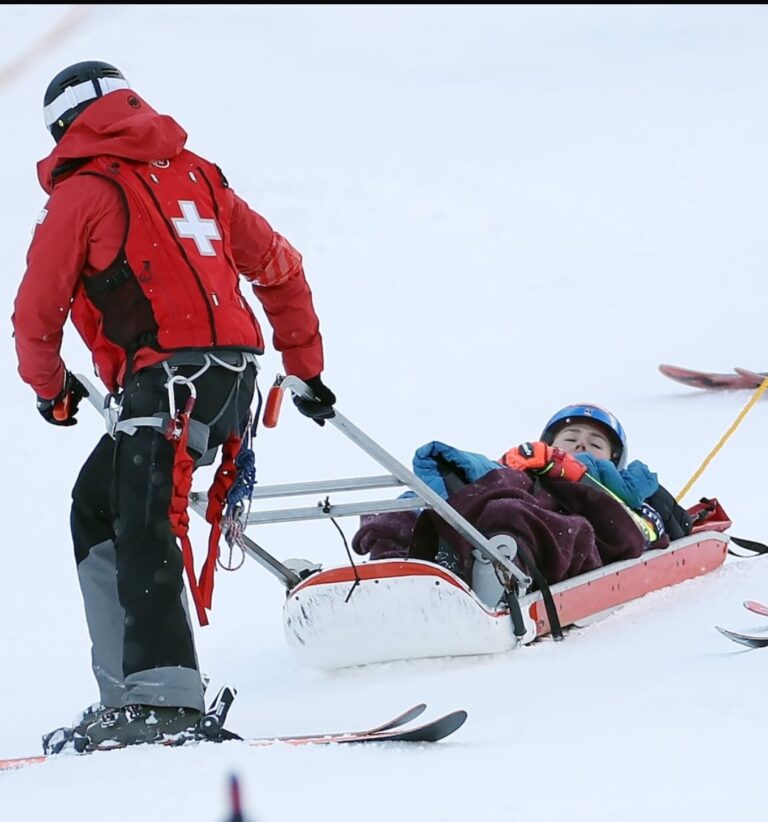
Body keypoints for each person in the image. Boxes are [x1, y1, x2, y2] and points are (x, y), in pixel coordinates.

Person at [11, 61, 336, 752]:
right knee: (99, 504)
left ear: (63, 127)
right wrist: (304, 368)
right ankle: (129, 697)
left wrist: (50, 390)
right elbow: (280, 266)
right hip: (231, 387)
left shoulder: (84, 191)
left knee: (142, 524)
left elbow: (37, 309)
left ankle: (164, 703)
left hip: (165, 386)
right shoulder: (197, 175)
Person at [352, 403, 693, 591]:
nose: (582, 445)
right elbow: (491, 473)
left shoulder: (627, 488)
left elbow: (649, 526)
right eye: (571, 438)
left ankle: (501, 574)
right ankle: (394, 569)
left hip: (575, 528)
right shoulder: (527, 471)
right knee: (416, 502)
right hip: (509, 512)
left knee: (512, 511)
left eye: (595, 443)